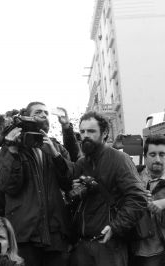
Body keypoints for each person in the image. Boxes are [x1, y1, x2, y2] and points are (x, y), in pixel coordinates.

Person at [50, 111, 147, 266]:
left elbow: (138, 198)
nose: (85, 135)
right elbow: (67, 178)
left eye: (91, 131)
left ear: (104, 133)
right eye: (82, 131)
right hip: (82, 245)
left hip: (108, 245)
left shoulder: (119, 159)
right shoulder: (82, 163)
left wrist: (115, 227)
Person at [0, 102, 79, 266]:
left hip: (55, 233)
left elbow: (69, 182)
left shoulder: (56, 147)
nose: (44, 115)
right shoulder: (11, 148)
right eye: (38, 112)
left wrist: (55, 156)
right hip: (25, 234)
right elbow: (8, 186)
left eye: (46, 113)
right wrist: (12, 150)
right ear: (26, 117)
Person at [129, 134, 165, 266]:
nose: (158, 159)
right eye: (153, 154)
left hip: (160, 249)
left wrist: (163, 203)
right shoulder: (134, 176)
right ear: (145, 157)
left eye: (162, 154)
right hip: (137, 248)